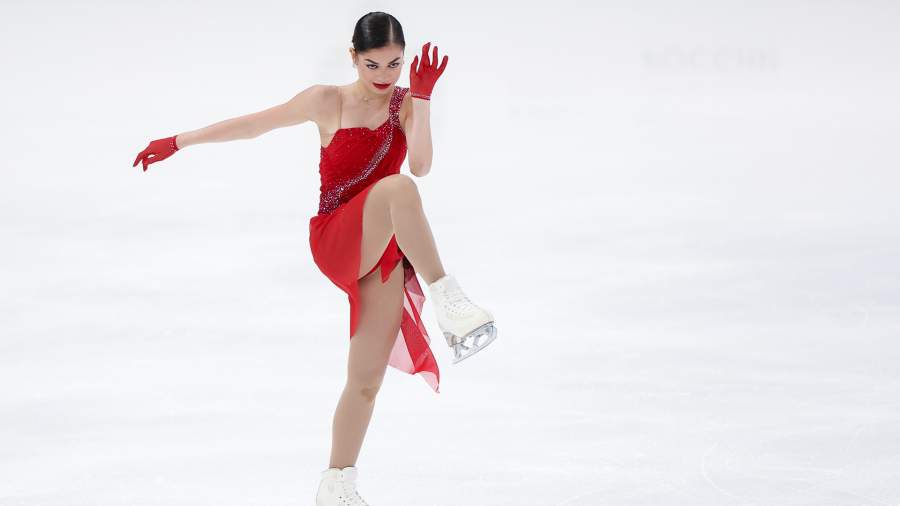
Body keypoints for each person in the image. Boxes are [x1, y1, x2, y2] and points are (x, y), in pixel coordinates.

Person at [131, 12, 497, 506]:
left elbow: (422, 164)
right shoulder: (327, 101)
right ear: (353, 57)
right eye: (372, 64)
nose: (384, 75)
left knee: (365, 382)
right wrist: (179, 141)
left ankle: (336, 485)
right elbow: (253, 125)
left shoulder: (405, 104)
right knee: (397, 188)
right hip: (335, 237)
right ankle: (448, 300)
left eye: (394, 64)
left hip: (382, 249)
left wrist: (424, 100)